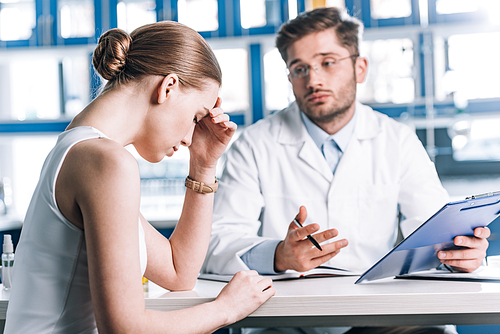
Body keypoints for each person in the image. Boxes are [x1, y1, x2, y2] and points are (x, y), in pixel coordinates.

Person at [202, 6, 490, 334]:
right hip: (284, 318)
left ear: (360, 67)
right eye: (300, 69)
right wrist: (279, 256)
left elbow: (431, 231)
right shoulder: (254, 144)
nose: (314, 79)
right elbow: (214, 244)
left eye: (328, 62)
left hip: (379, 315)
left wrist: (460, 251)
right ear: (289, 78)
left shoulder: (397, 140)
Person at [4, 21, 275, 334]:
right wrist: (226, 310)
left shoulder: (82, 149)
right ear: (168, 87)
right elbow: (126, 330)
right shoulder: (106, 161)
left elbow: (178, 271)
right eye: (196, 117)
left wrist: (203, 164)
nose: (191, 135)